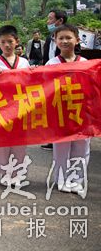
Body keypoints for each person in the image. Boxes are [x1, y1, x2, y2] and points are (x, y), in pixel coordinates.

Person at [46, 24, 90, 195]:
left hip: (81, 113)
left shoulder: (86, 64)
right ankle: (61, 179)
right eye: (61, 38)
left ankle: (77, 179)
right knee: (61, 149)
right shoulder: (51, 64)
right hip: (60, 114)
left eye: (68, 38)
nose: (64, 41)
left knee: (81, 147)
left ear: (77, 40)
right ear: (55, 41)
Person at [0, 26, 30, 178]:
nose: (7, 45)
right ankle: (5, 172)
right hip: (2, 107)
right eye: (3, 42)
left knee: (19, 142)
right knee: (2, 142)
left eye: (10, 41)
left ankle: (17, 172)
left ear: (17, 42)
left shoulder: (24, 62)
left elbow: (30, 82)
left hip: (20, 106)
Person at [41, 9, 68, 150]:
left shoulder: (68, 38)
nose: (48, 22)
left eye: (50, 19)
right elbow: (45, 58)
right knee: (52, 109)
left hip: (64, 80)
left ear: (60, 21)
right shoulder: (48, 38)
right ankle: (53, 138)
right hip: (50, 80)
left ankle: (65, 137)